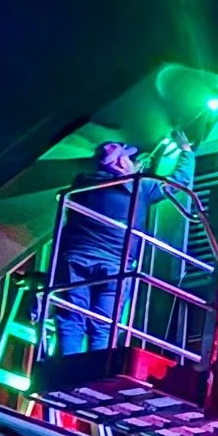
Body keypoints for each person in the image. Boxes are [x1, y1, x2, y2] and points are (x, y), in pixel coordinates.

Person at [49, 141, 146, 354]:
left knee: (71, 320)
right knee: (103, 327)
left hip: (76, 260)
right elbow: (179, 182)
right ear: (121, 163)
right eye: (128, 158)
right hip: (114, 267)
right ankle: (93, 377)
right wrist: (185, 151)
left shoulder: (81, 187)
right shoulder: (137, 189)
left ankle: (66, 375)